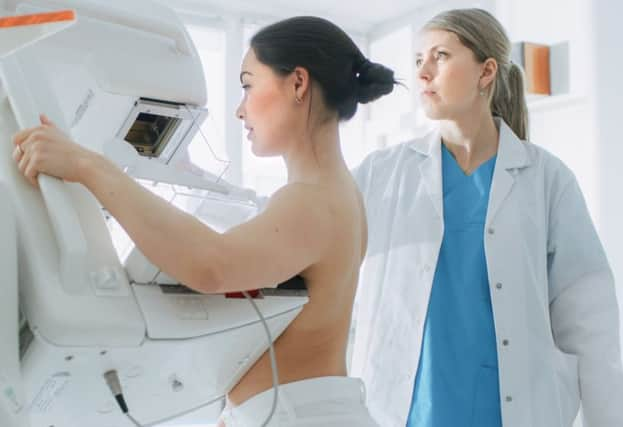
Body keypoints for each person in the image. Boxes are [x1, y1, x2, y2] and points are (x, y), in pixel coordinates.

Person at [12, 16, 396, 427]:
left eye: (249, 85)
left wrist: (88, 166)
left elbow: (211, 264)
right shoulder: (336, 194)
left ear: (298, 84)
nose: (239, 108)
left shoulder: (313, 201)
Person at [351, 8, 623, 427]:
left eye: (441, 56)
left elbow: (589, 327)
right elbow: (311, 261)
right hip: (404, 412)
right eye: (418, 60)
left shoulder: (546, 179)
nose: (423, 73)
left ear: (486, 72)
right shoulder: (381, 174)